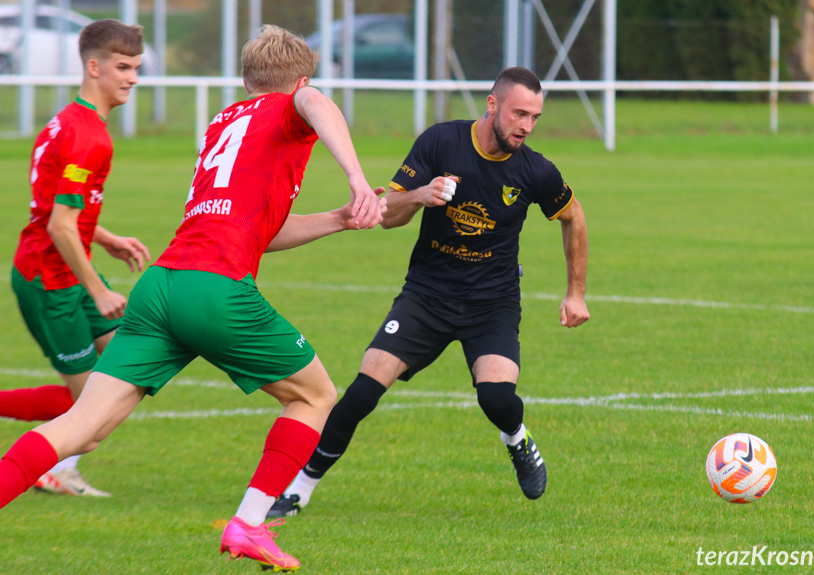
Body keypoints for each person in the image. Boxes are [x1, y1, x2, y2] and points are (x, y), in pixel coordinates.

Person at [0, 24, 384, 572]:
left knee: (84, 427)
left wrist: (339, 220)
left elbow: (260, 231)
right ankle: (249, 524)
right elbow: (313, 101)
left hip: (162, 286)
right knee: (315, 396)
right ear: (298, 80)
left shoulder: (224, 121)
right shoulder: (292, 104)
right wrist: (357, 179)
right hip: (215, 288)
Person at [268, 66, 590, 519]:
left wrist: (575, 293)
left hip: (491, 303)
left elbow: (574, 217)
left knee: (496, 399)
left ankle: (517, 439)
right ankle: (297, 493)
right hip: (427, 296)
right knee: (360, 394)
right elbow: (386, 213)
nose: (526, 126)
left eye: (535, 117)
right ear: (492, 104)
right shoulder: (441, 142)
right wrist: (421, 194)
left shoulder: (535, 170)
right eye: (519, 113)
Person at [0, 19, 150, 497]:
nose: (131, 78)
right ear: (93, 66)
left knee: (130, 363)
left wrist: (101, 235)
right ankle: (53, 469)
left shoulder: (68, 120)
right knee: (89, 408)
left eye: (136, 68)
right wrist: (98, 288)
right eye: (123, 67)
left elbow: (57, 208)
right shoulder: (88, 136)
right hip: (51, 280)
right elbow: (59, 225)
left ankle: (56, 465)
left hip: (64, 267)